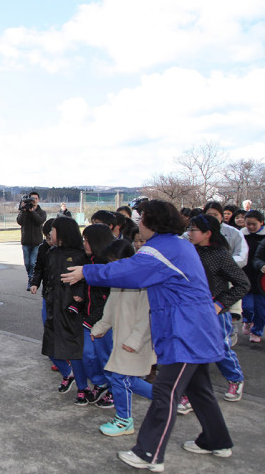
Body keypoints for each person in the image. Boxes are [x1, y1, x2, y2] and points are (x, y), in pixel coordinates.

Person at [61, 200, 233, 472]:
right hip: (193, 330)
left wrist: (87, 271)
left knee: (165, 392)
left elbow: (129, 272)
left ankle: (149, 452)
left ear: (153, 223)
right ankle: (216, 440)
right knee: (199, 390)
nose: (138, 224)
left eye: (142, 219)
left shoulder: (162, 249)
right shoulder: (177, 245)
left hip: (187, 333)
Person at [90, 239, 155, 437]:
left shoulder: (143, 283)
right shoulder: (119, 281)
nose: (112, 267)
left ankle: (124, 420)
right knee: (128, 380)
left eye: (114, 261)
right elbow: (110, 308)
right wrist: (100, 327)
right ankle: (168, 397)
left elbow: (147, 317)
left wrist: (135, 340)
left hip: (135, 342)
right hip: (121, 340)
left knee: (119, 378)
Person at [182, 214, 249, 403]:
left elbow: (243, 284)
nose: (189, 233)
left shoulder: (220, 255)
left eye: (193, 229)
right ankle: (188, 393)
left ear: (207, 233)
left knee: (220, 349)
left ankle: (235, 379)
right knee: (191, 351)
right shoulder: (189, 251)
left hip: (215, 314)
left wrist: (219, 304)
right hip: (191, 311)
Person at [34, 217, 87, 403]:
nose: (50, 234)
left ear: (63, 233)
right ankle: (68, 373)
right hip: (52, 307)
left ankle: (83, 388)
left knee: (74, 351)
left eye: (54, 231)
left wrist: (78, 297)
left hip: (71, 310)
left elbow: (86, 282)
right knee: (50, 348)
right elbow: (45, 275)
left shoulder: (81, 255)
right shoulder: (51, 252)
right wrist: (37, 285)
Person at [30, 218, 76, 386]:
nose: (50, 239)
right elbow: (39, 268)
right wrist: (35, 283)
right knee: (49, 331)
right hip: (49, 297)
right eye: (48, 236)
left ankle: (68, 363)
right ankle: (64, 365)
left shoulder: (75, 253)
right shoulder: (45, 250)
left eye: (52, 235)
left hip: (66, 301)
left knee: (64, 333)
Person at [79, 224, 116, 408]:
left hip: (104, 321)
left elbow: (108, 299)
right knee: (88, 355)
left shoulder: (109, 265)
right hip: (89, 318)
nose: (84, 243)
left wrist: (92, 318)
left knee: (105, 356)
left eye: (87, 240)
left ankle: (113, 389)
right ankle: (100, 383)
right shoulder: (88, 261)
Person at [241, 210, 265, 343]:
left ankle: (257, 331)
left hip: (262, 278)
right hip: (246, 275)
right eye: (248, 224)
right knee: (247, 306)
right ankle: (247, 320)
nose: (250, 227)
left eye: (253, 224)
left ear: (261, 222)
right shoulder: (241, 235)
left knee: (262, 310)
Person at [17, 191, 47, 290]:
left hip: (37, 242)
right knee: (27, 263)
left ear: (38, 200)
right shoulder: (25, 211)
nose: (34, 201)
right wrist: (24, 210)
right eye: (32, 198)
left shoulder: (42, 212)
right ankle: (30, 278)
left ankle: (31, 280)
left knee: (33, 263)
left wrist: (32, 211)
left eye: (36, 199)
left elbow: (39, 221)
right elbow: (20, 222)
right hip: (26, 241)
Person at [203, 201, 247, 268]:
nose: (212, 218)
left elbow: (242, 256)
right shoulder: (195, 232)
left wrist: (223, 263)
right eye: (209, 215)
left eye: (215, 215)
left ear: (221, 216)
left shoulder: (234, 232)